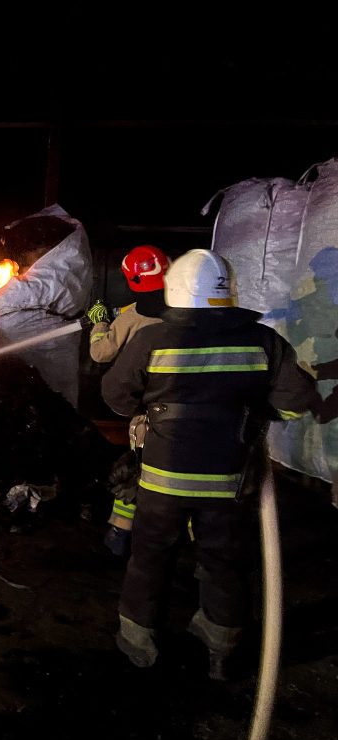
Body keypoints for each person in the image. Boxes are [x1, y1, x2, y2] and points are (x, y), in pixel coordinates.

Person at [101, 249, 318, 679]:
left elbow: (115, 395)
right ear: (229, 294)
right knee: (224, 561)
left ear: (174, 293)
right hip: (227, 483)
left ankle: (138, 640)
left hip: (162, 480)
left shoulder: (151, 339)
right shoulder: (264, 341)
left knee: (150, 557)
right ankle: (220, 646)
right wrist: (251, 416)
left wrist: (147, 412)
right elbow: (296, 401)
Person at [86, 245, 172, 556]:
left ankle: (119, 536)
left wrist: (99, 324)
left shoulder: (132, 319)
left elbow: (100, 353)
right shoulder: (186, 312)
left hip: (147, 408)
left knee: (137, 469)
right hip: (185, 404)